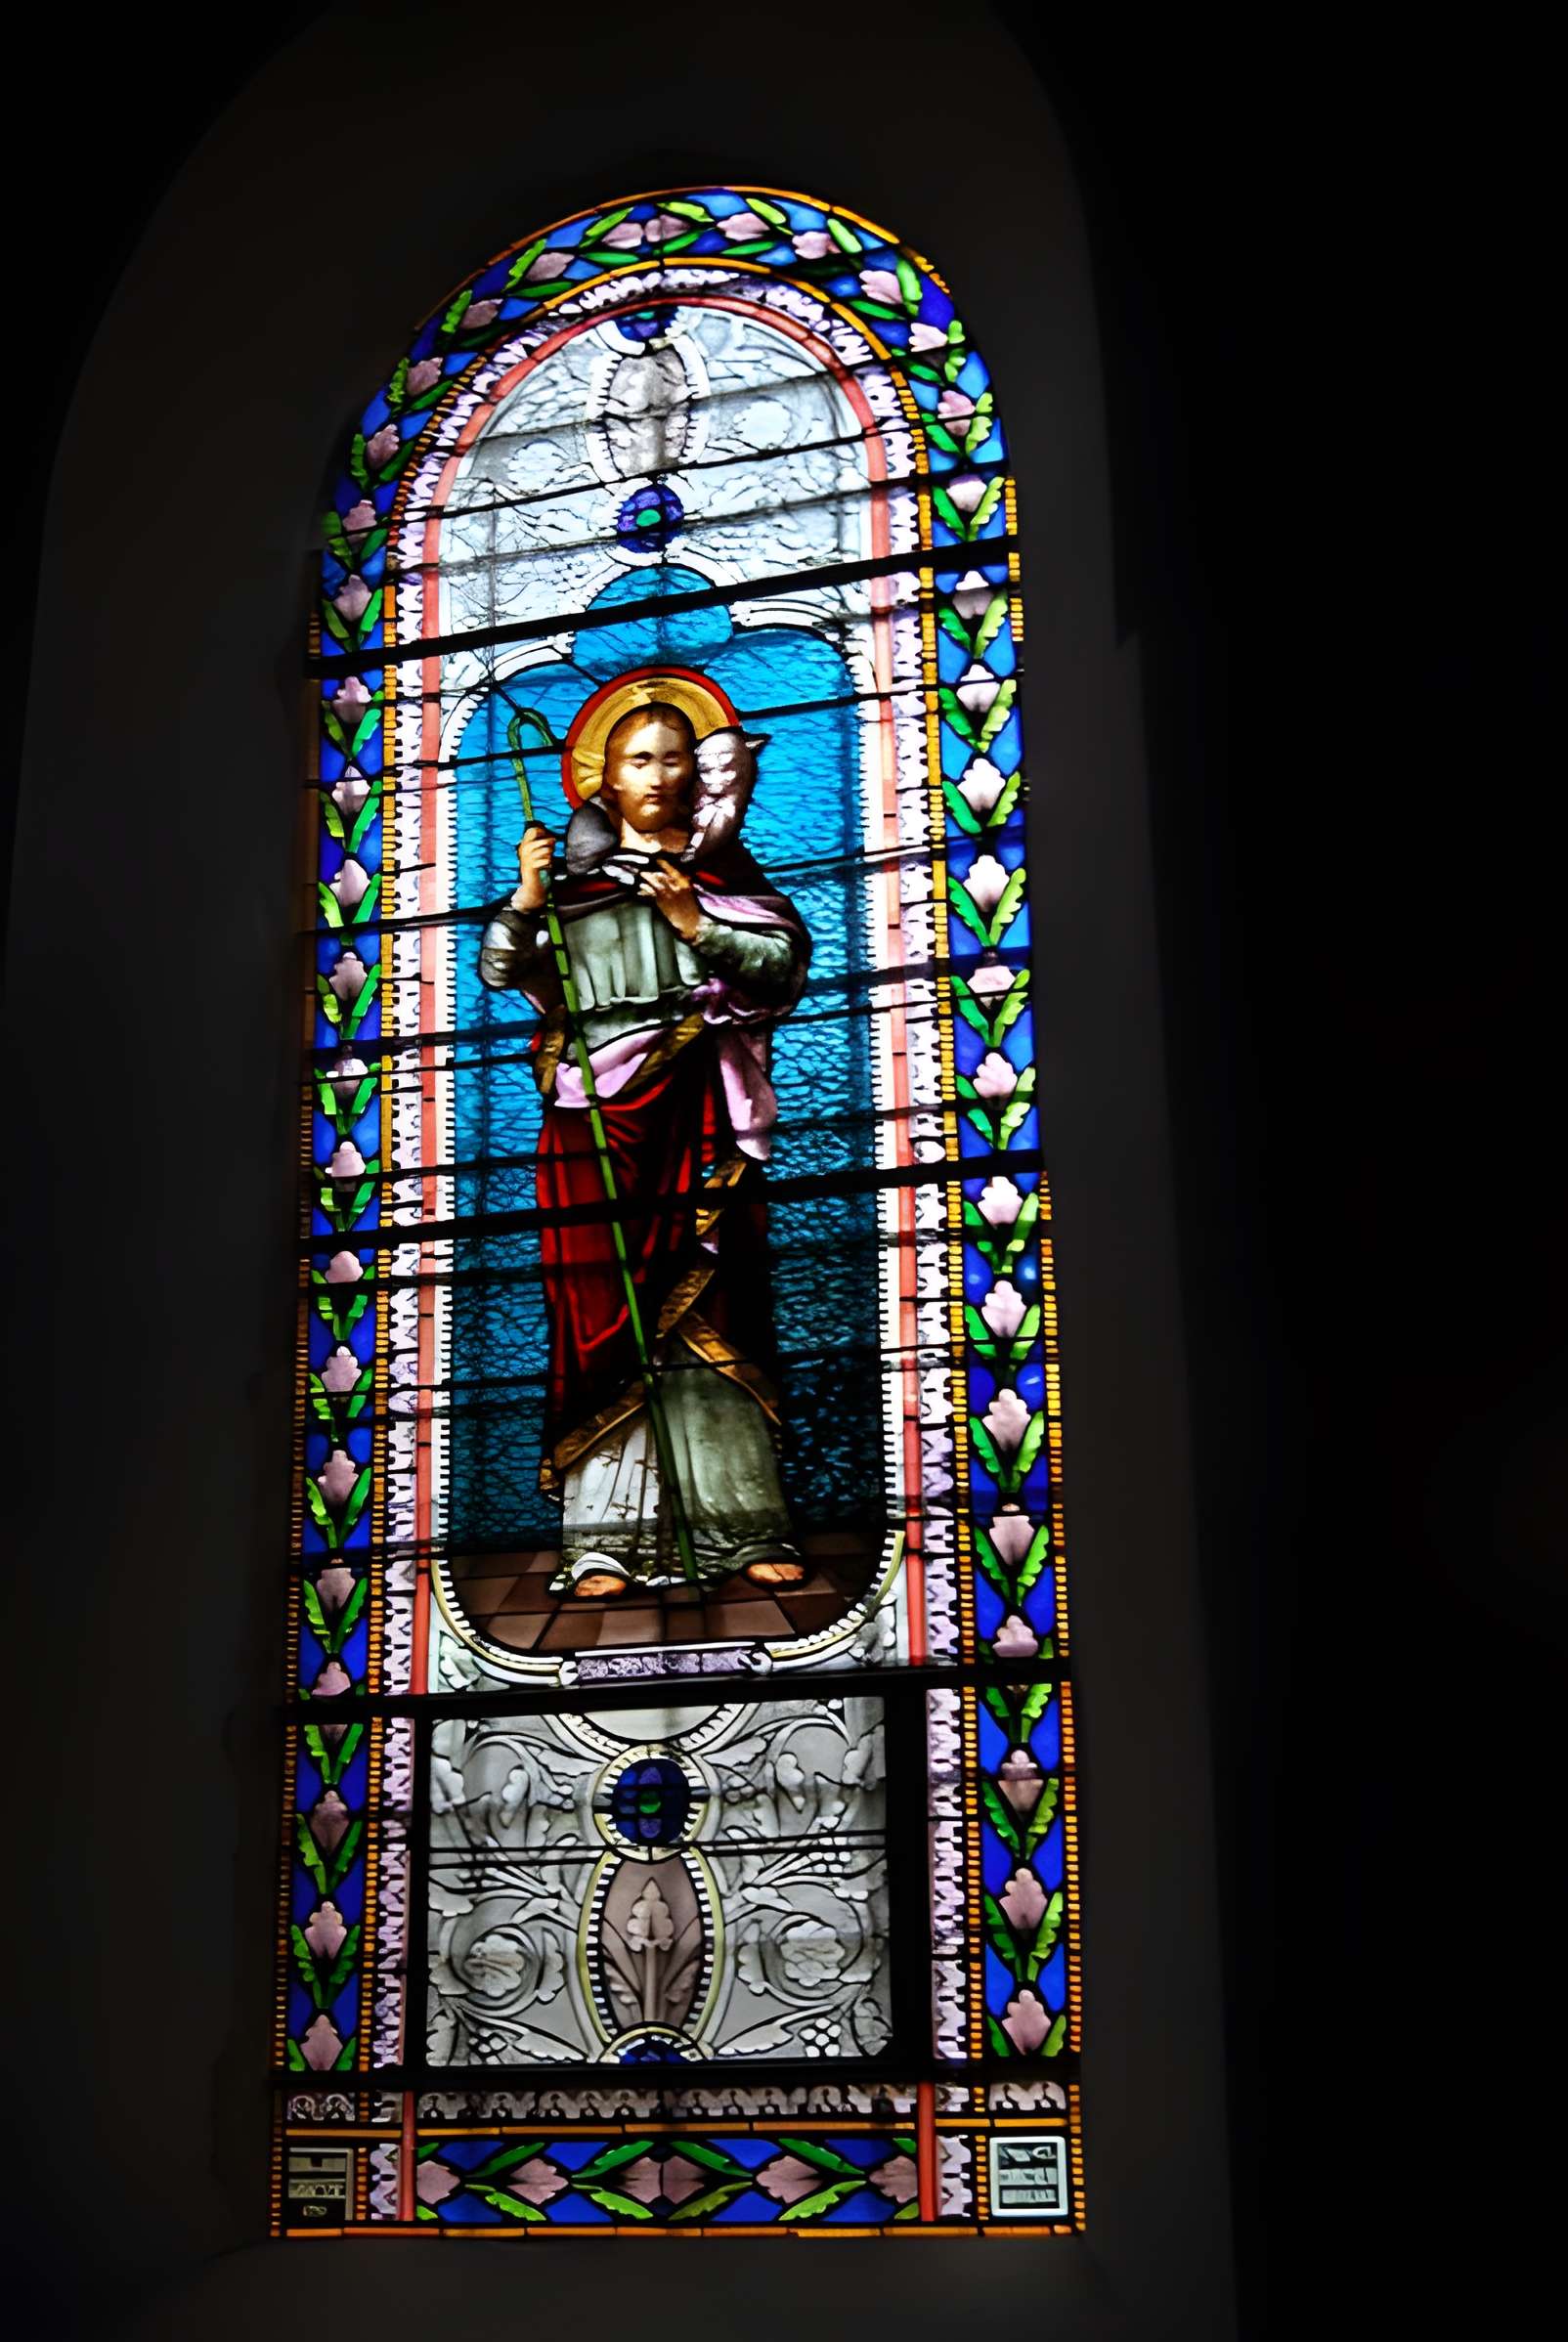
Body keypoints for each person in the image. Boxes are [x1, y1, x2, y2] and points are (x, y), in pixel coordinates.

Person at [478, 697, 810, 1599]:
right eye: (638, 760)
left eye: (674, 759)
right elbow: (509, 971)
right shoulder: (580, 887)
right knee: (602, 1322)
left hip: (701, 1110)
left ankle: (739, 1525)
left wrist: (698, 923)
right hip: (592, 1126)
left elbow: (781, 967)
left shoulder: (721, 876)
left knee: (712, 1312)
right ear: (606, 779)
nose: (660, 776)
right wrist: (531, 893)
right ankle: (603, 1541)